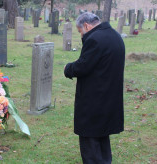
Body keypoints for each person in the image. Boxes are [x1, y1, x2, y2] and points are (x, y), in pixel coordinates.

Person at [64, 12, 125, 164]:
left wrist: (68, 68)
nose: (81, 35)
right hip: (110, 96)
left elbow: (83, 66)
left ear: (86, 25)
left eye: (80, 32)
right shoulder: (115, 36)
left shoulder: (95, 39)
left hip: (94, 99)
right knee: (102, 137)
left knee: (90, 142)